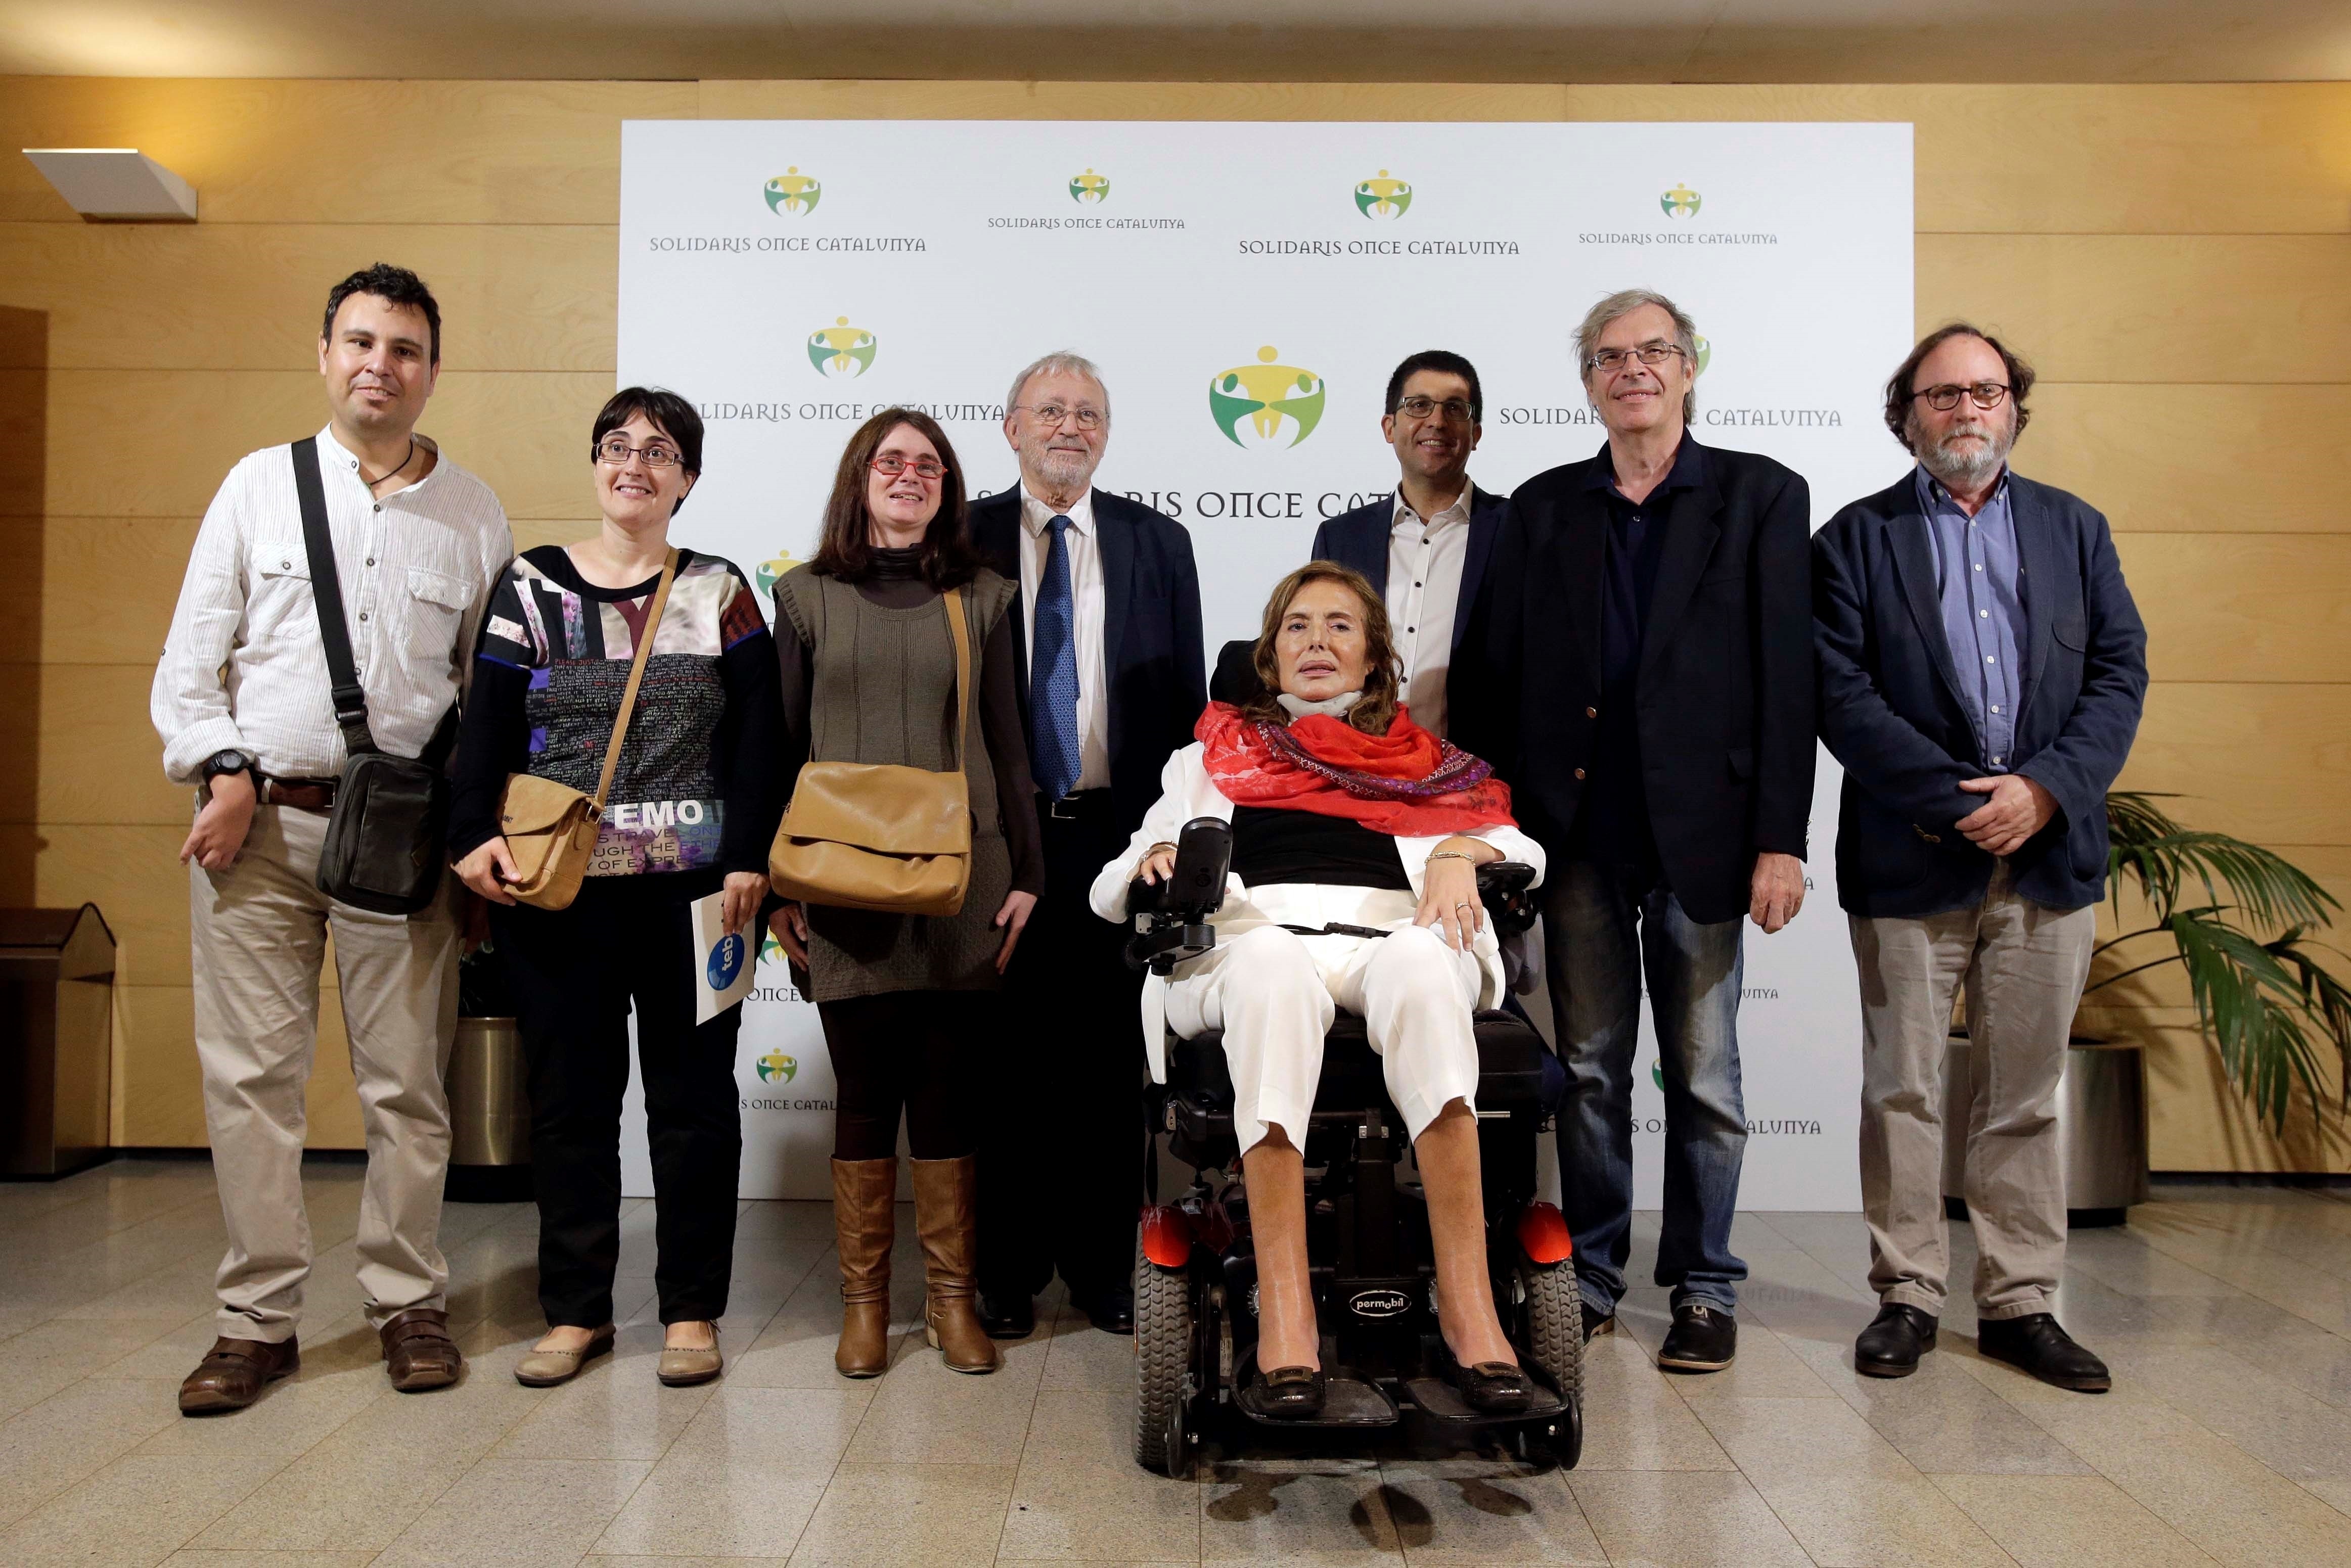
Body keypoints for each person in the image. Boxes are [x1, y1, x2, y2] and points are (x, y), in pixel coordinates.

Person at [151, 263, 511, 1413]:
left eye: (404, 349)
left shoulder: (474, 513)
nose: (379, 366)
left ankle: (408, 1304)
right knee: (251, 1081)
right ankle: (256, 1322)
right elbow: (190, 659)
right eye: (360, 342)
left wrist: (473, 842)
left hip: (401, 844)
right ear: (324, 355)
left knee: (406, 1086)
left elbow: (486, 703)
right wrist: (220, 768)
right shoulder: (257, 486)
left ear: (432, 372)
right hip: (253, 829)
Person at [1455, 288, 1815, 1374]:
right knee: (1592, 1070)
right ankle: (1595, 1274)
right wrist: (1492, 829)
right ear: (1589, 382)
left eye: (1654, 351)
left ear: (1689, 368)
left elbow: (1787, 681)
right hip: (1577, 838)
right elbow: (1491, 676)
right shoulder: (1543, 507)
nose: (1633, 370)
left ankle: (1705, 1284)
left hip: (1711, 838)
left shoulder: (1762, 495)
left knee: (1705, 1075)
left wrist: (1783, 840)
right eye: (1610, 357)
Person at [1093, 563, 1544, 1417]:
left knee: (1421, 964)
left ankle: (1470, 1307)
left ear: (1374, 656)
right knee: (1273, 966)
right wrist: (1156, 860)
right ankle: (1286, 1313)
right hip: (1250, 943)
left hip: (1392, 938)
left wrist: (1459, 851)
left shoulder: (1427, 763)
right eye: (1296, 626)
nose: (1317, 641)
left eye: (1341, 625)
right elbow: (1116, 879)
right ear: (1269, 657)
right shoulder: (1209, 759)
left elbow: (1520, 846)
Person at [1814, 324, 2146, 1391]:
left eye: (1986, 391)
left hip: (2048, 857)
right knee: (1903, 1090)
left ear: (2014, 408)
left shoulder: (2075, 528)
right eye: (1943, 393)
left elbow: (2119, 674)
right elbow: (1841, 696)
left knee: (2026, 1093)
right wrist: (1962, 803)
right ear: (1906, 416)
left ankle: (2019, 1303)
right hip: (1912, 854)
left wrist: (2043, 791)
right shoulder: (1854, 540)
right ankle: (1907, 1294)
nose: (1967, 409)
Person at [449, 387, 783, 1389]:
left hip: (697, 899)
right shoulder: (530, 585)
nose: (634, 464)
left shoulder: (719, 589)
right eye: (616, 446)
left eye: (658, 451)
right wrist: (471, 836)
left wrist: (751, 856)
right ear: (597, 464)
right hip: (559, 896)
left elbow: (761, 737)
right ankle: (575, 1313)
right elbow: (485, 724)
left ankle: (691, 1311)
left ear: (687, 478)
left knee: (695, 1108)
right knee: (570, 1107)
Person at [768, 407, 1044, 1379]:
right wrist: (776, 885)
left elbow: (1010, 744)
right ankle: (864, 1308)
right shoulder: (804, 596)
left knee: (946, 1091)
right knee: (862, 1095)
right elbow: (780, 744)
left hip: (965, 879)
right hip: (840, 878)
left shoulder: (985, 596)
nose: (909, 475)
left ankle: (952, 1304)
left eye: (928, 465)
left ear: (947, 488)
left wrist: (1030, 876)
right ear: (861, 477)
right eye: (890, 461)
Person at [967, 352, 1206, 1338]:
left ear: (1106, 433)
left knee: (1112, 1066)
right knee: (1004, 1063)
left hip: (1119, 842)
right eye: (1051, 410)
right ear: (1012, 426)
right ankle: (1007, 1270)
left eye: (1089, 414)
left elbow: (1188, 709)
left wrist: (1176, 841)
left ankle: (1106, 1267)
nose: (1071, 427)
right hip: (998, 842)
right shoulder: (960, 536)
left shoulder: (1160, 542)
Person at [1307, 349, 1507, 739]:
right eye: (1418, 406)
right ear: (1389, 427)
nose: (1437, 421)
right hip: (1359, 761)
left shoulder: (1517, 531)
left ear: (1476, 434)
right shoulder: (1341, 538)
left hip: (1479, 764)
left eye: (1455, 409)